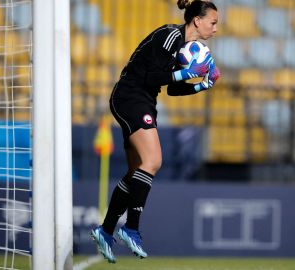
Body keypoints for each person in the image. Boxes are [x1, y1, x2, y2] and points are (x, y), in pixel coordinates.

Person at [90, 0, 220, 264]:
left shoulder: (182, 46)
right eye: (213, 22)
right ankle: (131, 228)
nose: (215, 29)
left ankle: (105, 230)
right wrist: (188, 73)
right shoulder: (170, 35)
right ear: (197, 20)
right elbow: (152, 78)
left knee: (137, 170)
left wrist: (202, 84)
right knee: (154, 161)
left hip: (143, 100)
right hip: (130, 96)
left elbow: (171, 88)